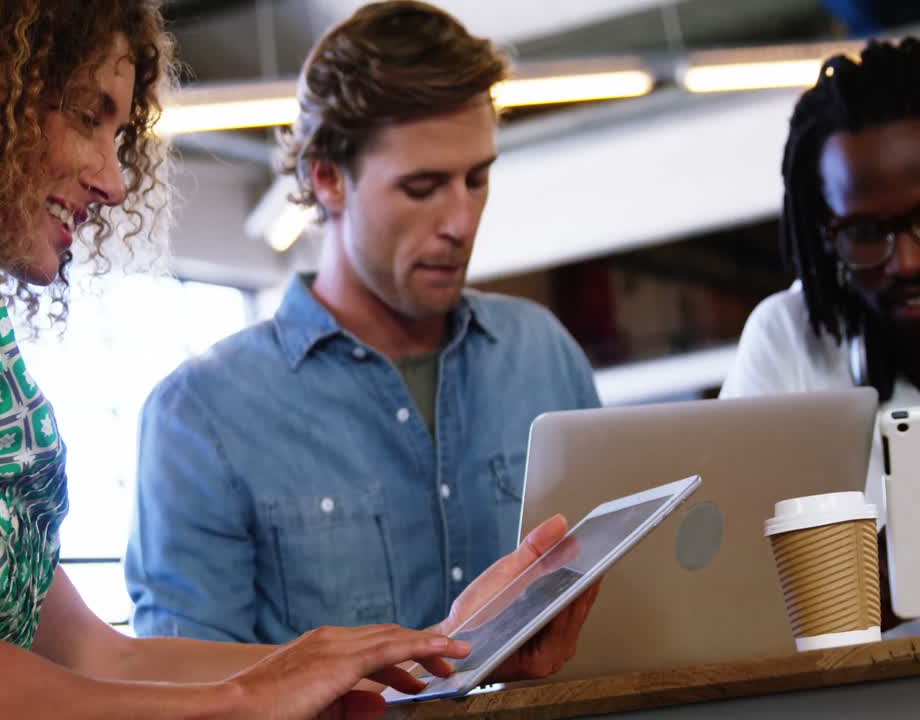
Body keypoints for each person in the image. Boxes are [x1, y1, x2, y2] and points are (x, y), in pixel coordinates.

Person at [0, 2, 594, 718]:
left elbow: (100, 654)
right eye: (88, 117)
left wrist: (423, 650)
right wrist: (248, 698)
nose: (115, 180)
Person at [126, 0, 601, 647]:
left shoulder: (543, 354)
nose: (460, 221)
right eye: (422, 187)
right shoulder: (202, 417)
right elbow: (189, 686)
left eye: (476, 179)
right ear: (329, 179)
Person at [720, 37, 920, 519]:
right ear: (824, 234)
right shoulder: (787, 341)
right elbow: (730, 533)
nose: (907, 262)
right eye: (865, 234)